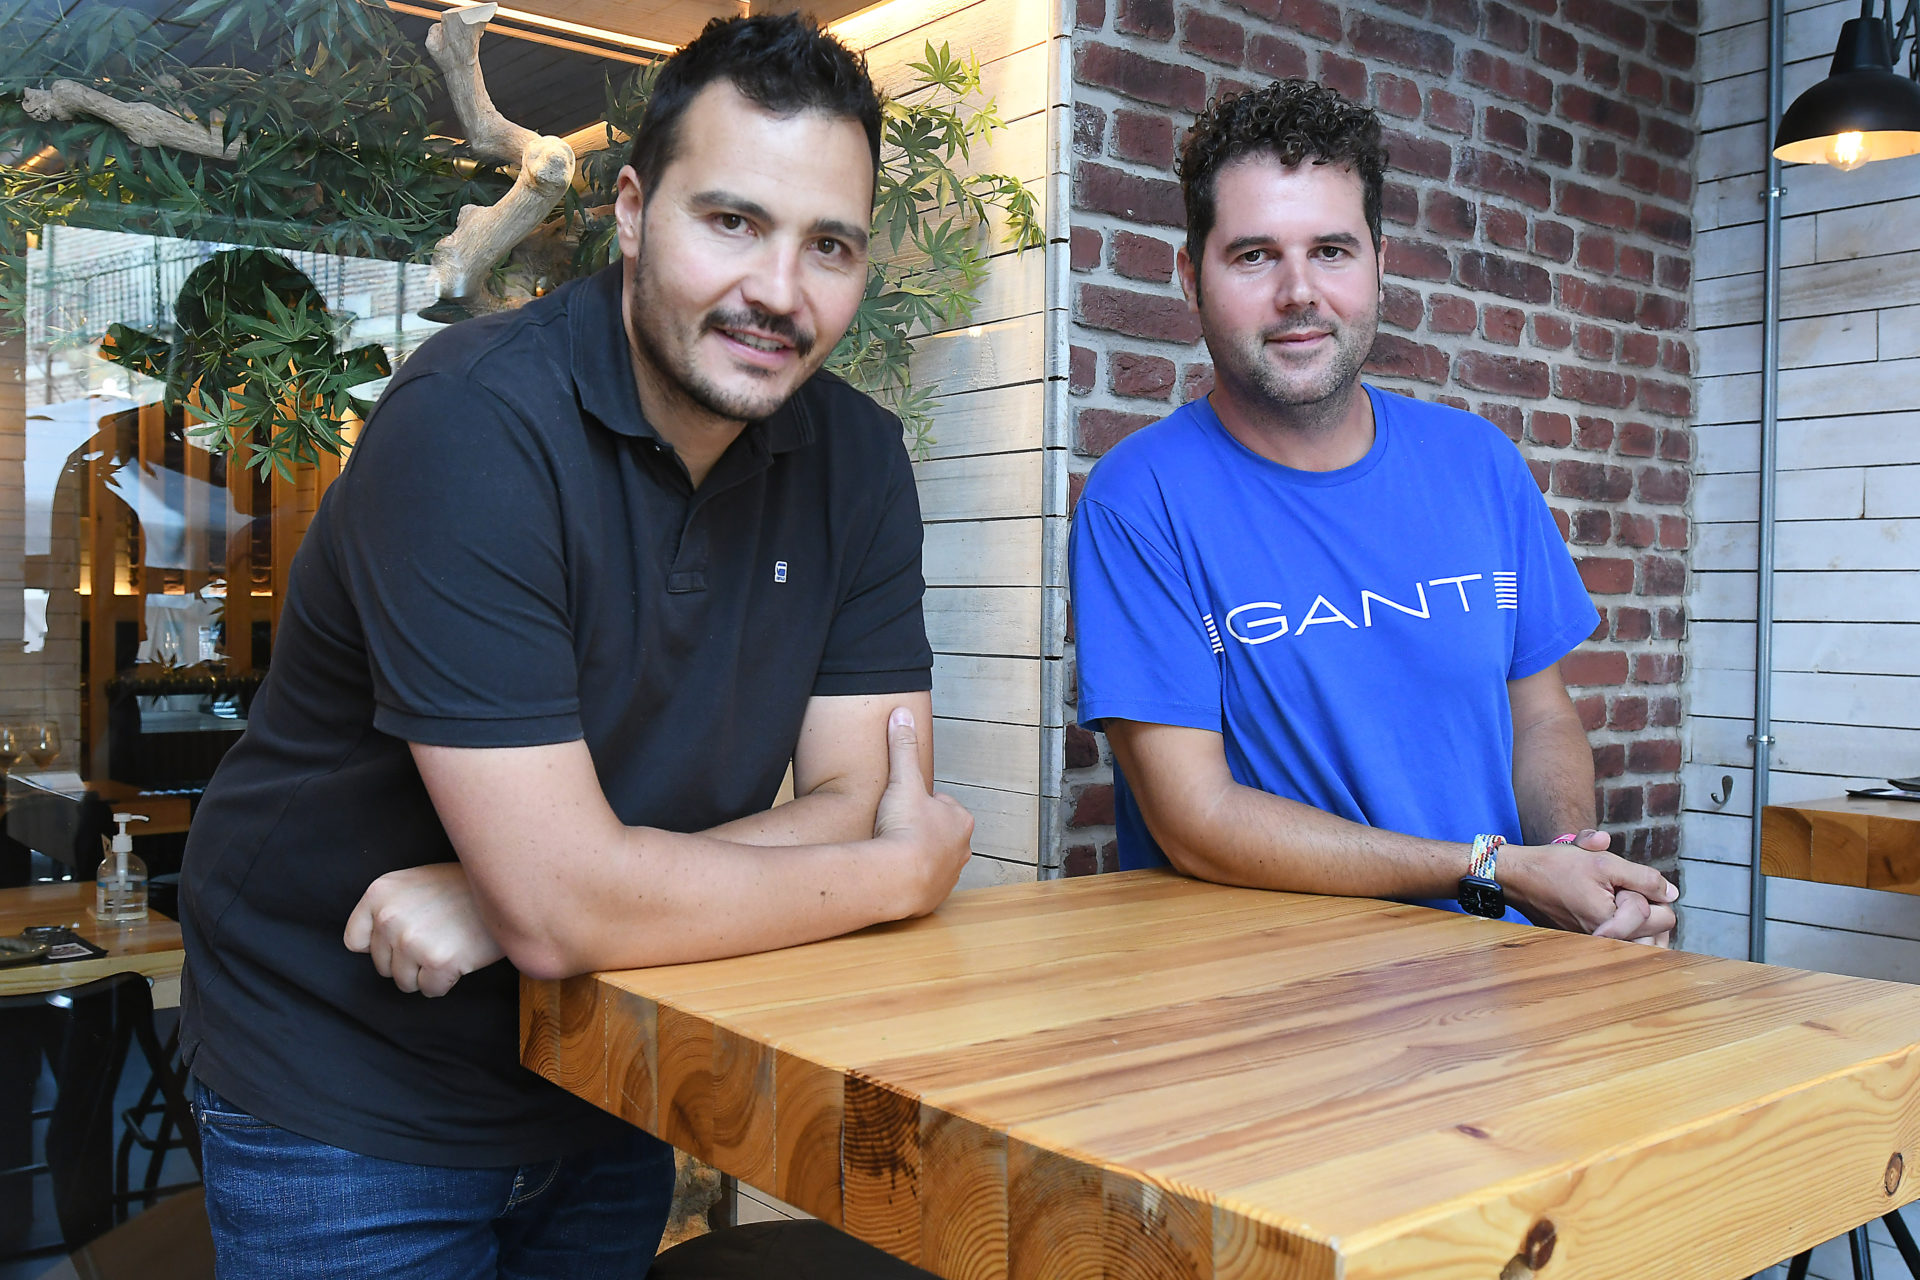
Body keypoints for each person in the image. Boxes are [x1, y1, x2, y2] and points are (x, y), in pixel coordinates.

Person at [176, 15, 974, 1278]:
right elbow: (864, 846)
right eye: (733, 221)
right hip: (346, 1079)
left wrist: (522, 900)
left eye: (829, 243)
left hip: (608, 1059)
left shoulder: (859, 461)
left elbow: (864, 798)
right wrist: (891, 877)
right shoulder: (473, 423)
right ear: (632, 213)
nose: (780, 290)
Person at [1067, 79, 1676, 942]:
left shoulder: (1478, 463)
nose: (1299, 292)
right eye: (1253, 255)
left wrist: (1575, 860)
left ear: (1379, 263)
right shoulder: (1140, 501)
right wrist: (1492, 870)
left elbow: (1539, 715)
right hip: (1272, 991)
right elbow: (1195, 818)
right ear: (1190, 278)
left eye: (1332, 250)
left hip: (1505, 976)